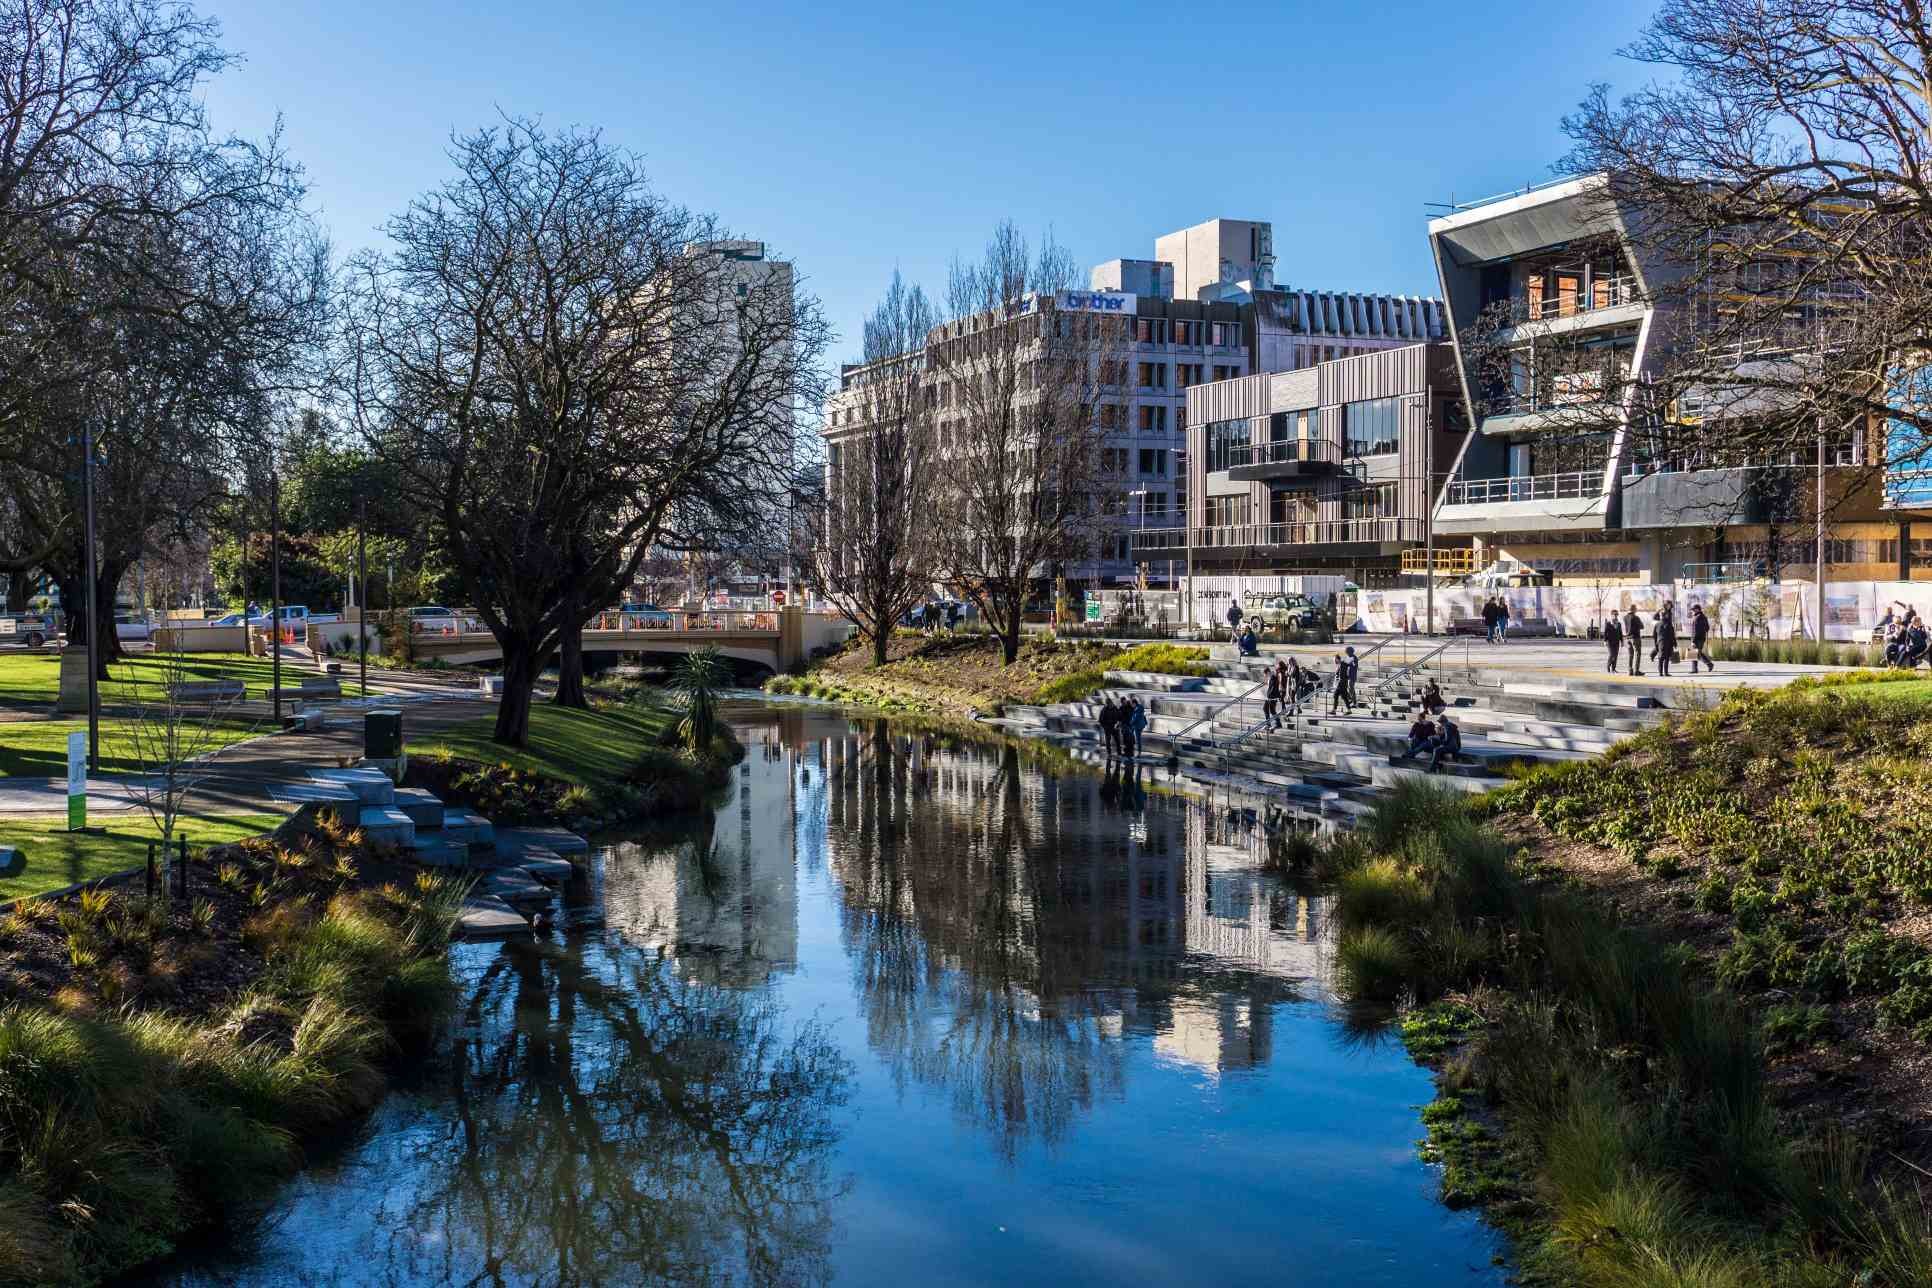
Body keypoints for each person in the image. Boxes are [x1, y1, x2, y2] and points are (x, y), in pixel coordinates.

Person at [1654, 603, 1678, 678]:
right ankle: (1666, 672)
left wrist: (1656, 644)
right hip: (1668, 642)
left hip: (1660, 642)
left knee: (1661, 658)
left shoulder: (1657, 624)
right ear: (1665, 615)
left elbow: (1654, 635)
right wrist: (1674, 643)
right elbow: (1672, 634)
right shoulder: (1669, 624)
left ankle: (1660, 673)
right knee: (1666, 658)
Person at [1689, 603, 1714, 673]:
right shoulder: (1704, 617)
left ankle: (1695, 669)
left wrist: (1693, 641)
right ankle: (1709, 664)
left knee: (1693, 653)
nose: (1692, 611)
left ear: (1697, 609)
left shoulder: (1697, 618)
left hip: (1697, 638)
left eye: (1693, 610)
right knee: (1698, 653)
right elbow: (1707, 628)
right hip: (1702, 638)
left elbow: (1695, 630)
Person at [1623, 607, 1644, 676]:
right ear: (1634, 610)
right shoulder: (1636, 617)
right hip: (1635, 638)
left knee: (1630, 654)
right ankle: (1636, 670)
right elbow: (1642, 626)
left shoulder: (1625, 617)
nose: (1636, 610)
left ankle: (1630, 670)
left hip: (1628, 638)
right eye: (1636, 609)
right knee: (1638, 654)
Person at [1263, 664, 1283, 731]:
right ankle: (1271, 723)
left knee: (1270, 710)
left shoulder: (1273, 677)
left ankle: (1276, 723)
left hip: (1272, 697)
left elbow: (1274, 688)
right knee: (1268, 709)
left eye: (1266, 674)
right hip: (1270, 697)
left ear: (1268, 672)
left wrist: (1271, 697)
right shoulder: (1271, 677)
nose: (1265, 676)